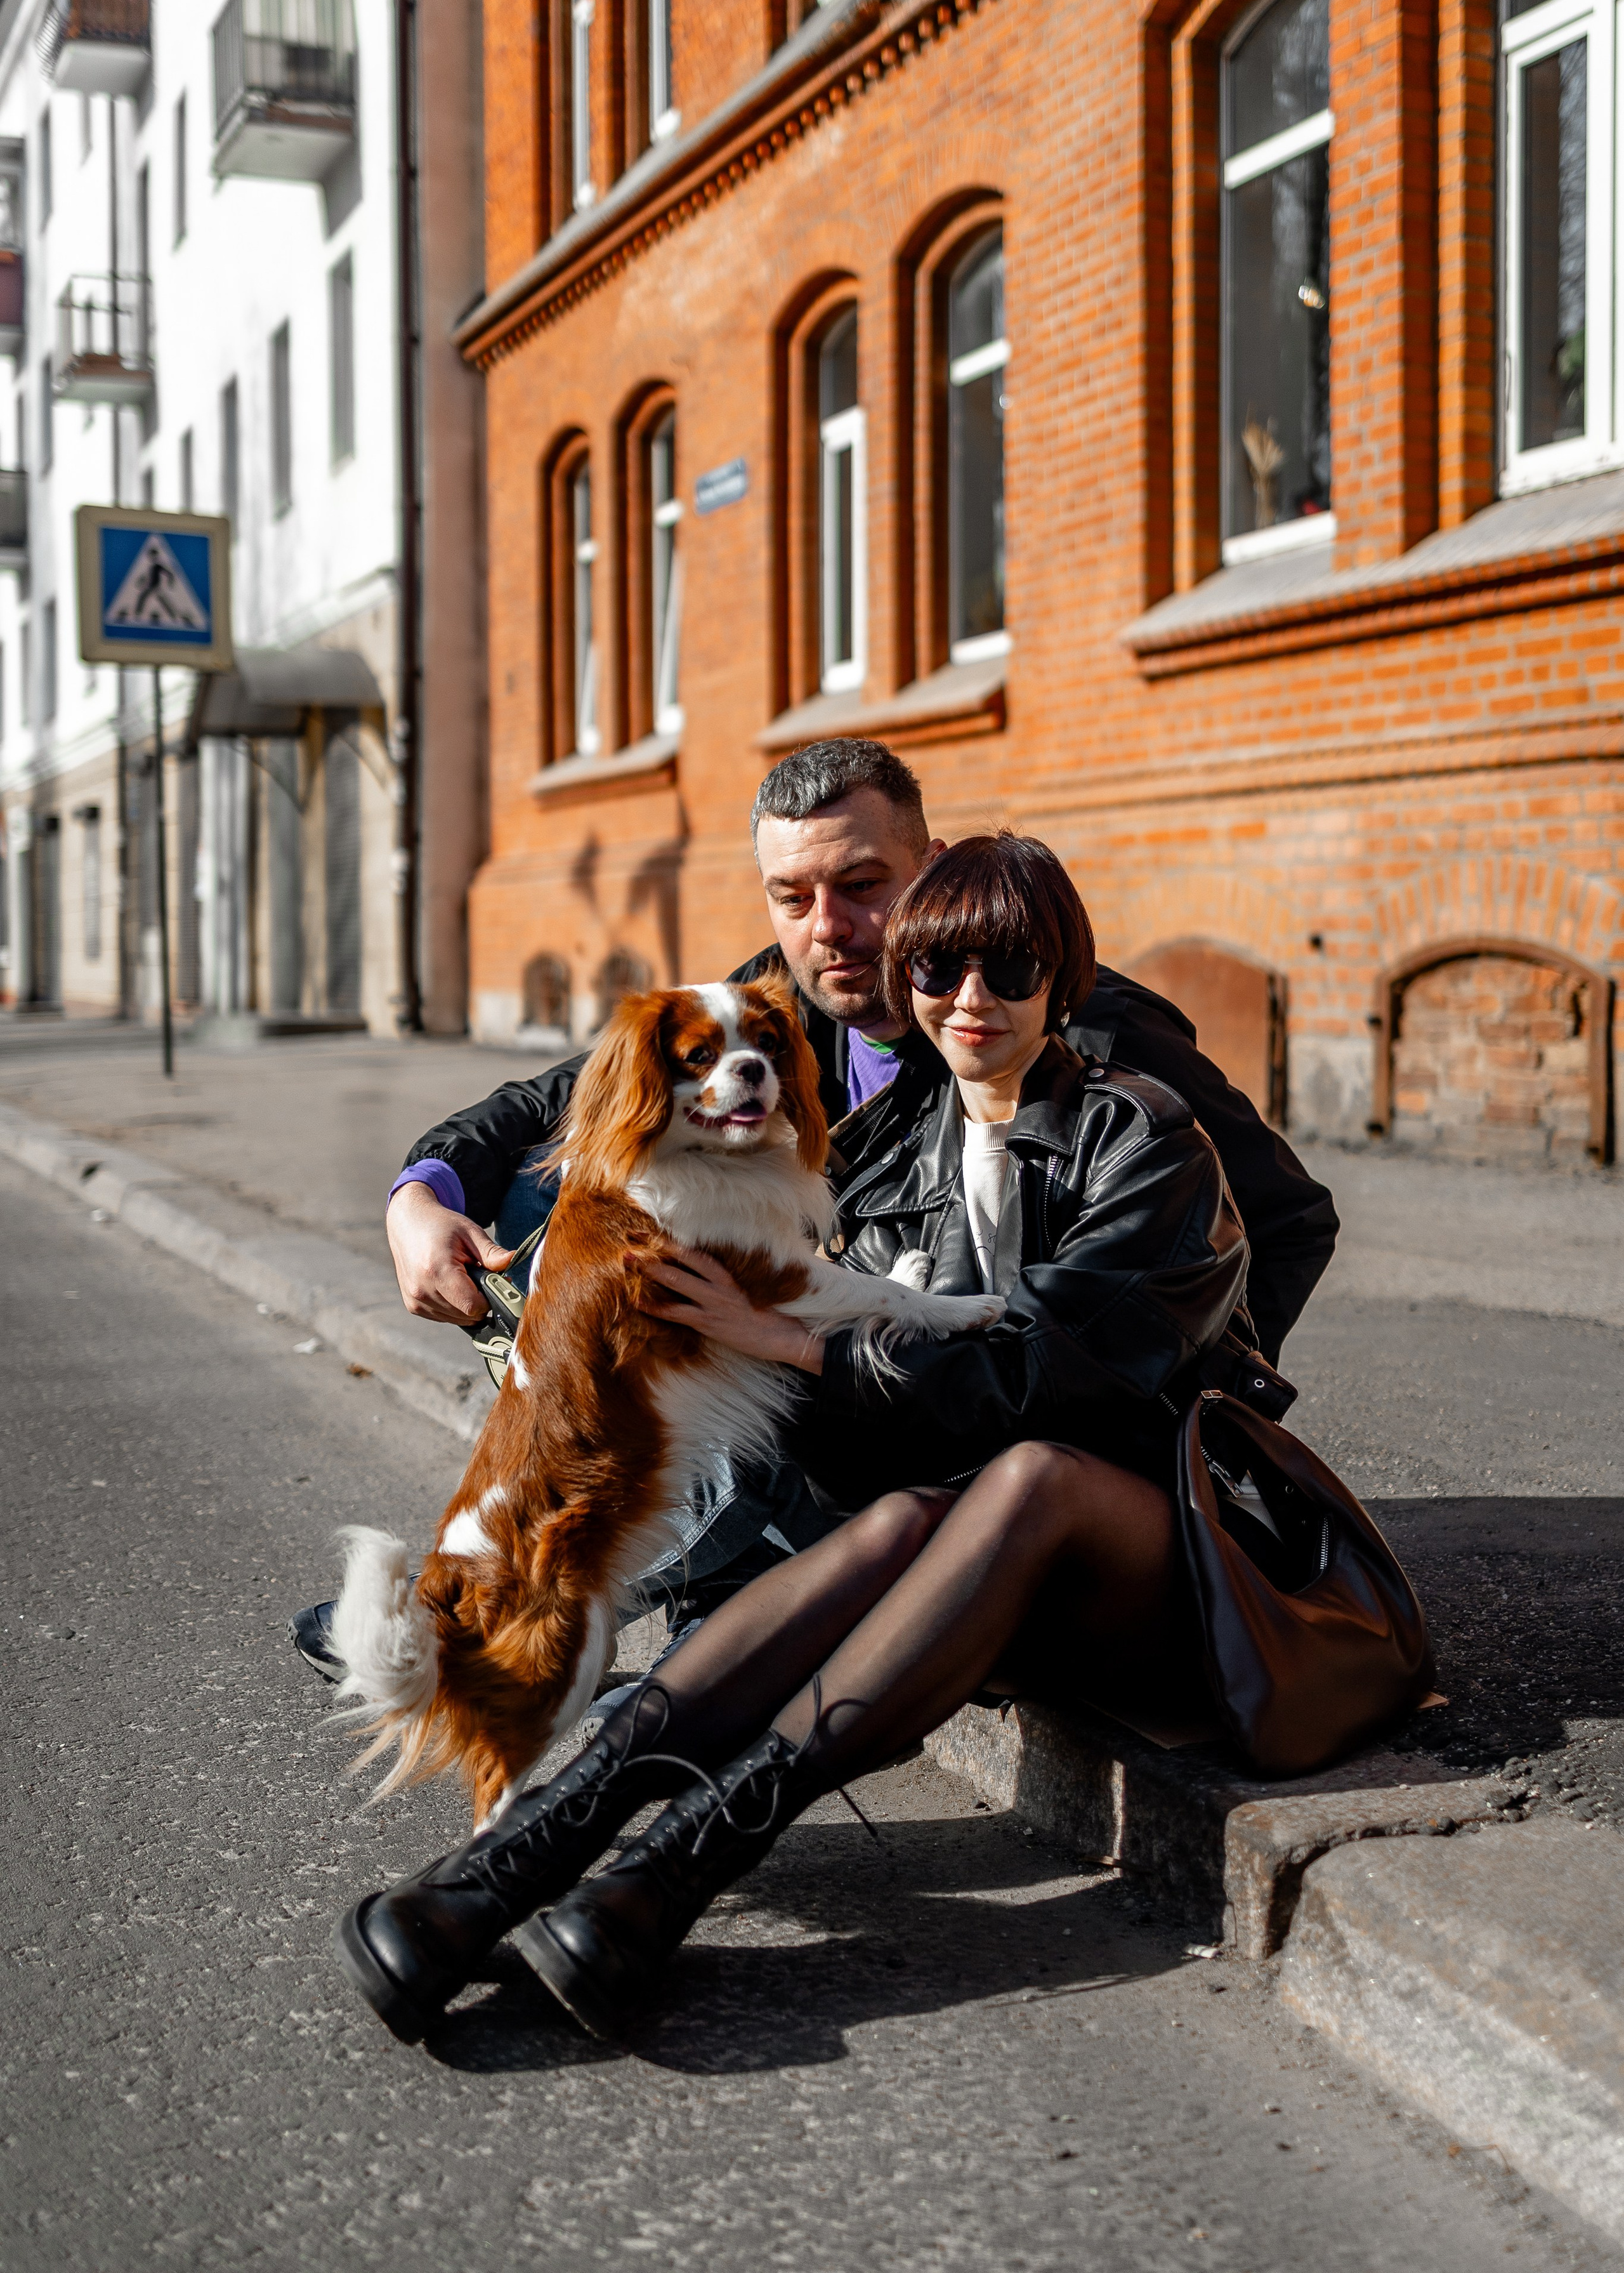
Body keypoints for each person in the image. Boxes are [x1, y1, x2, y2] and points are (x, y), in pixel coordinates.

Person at [334, 832, 1254, 2045]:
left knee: (1024, 1477)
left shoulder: (1145, 1138)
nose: (970, 998)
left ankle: (675, 1871)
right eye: (938, 972)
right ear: (904, 986)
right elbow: (576, 1101)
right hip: (972, 1562)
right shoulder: (910, 1138)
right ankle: (515, 1865)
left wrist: (791, 1342)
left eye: (1012, 969)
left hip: (1160, 1550)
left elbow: (1042, 1383)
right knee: (909, 1516)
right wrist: (428, 1188)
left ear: (1067, 978)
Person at [294, 741, 1337, 1674]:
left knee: (752, 1376)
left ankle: (574, 1631)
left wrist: (1170, 1402)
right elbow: (559, 1098)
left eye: (863, 885)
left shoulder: (1073, 1025)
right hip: (850, 1359)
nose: (828, 929)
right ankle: (613, 1607)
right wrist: (422, 1191)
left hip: (976, 1398)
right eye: (791, 897)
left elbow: (1287, 1221)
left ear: (932, 869)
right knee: (579, 1185)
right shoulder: (786, 1001)